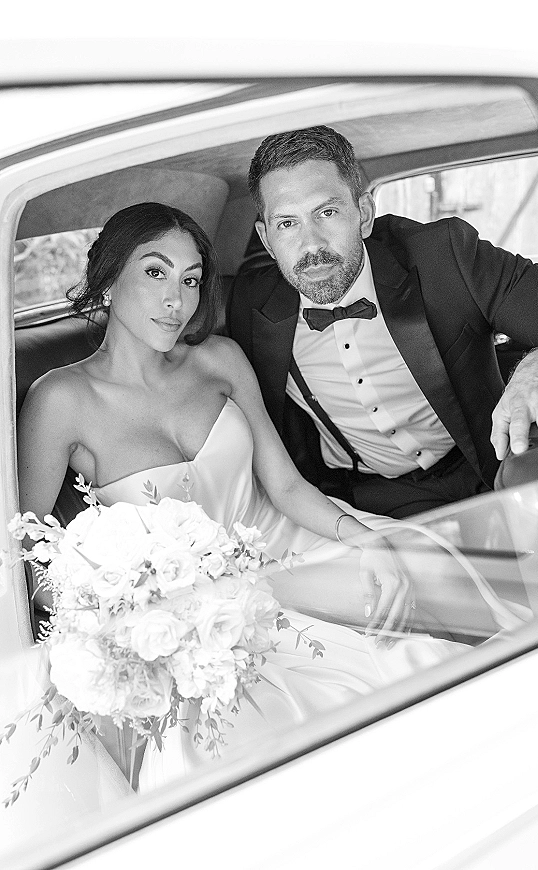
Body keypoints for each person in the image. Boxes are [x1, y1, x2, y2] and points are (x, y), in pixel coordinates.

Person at [16, 202, 483, 790]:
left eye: (190, 280)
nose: (177, 300)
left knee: (425, 598)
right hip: (193, 616)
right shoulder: (59, 399)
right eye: (155, 273)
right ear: (109, 279)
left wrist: (367, 539)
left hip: (290, 544)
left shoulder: (220, 358)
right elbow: (26, 554)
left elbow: (284, 485)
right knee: (250, 737)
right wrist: (127, 609)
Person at [228, 125, 538, 519]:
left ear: (363, 215)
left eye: (326, 213)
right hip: (371, 497)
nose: (311, 245)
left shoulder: (444, 257)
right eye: (287, 223)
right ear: (265, 238)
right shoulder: (248, 306)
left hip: (487, 459)